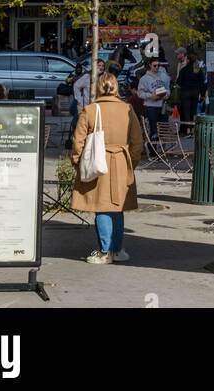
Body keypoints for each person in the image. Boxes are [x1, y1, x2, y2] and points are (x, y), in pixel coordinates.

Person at [71, 71, 143, 264]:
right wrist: (131, 162)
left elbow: (78, 141)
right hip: (120, 160)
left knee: (101, 207)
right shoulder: (127, 109)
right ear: (116, 87)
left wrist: (78, 162)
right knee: (117, 207)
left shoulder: (91, 110)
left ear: (98, 88)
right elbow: (137, 142)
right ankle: (117, 250)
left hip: (97, 161)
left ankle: (104, 252)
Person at [137, 58, 169, 139]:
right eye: (155, 65)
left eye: (158, 65)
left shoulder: (164, 76)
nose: (157, 67)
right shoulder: (144, 78)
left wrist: (167, 95)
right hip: (151, 106)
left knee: (163, 130)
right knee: (153, 130)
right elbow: (140, 93)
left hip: (162, 106)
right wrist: (151, 96)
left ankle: (162, 148)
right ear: (150, 65)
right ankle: (153, 150)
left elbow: (168, 89)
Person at [177, 51, 206, 132]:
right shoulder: (198, 70)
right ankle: (192, 129)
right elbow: (202, 83)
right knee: (193, 110)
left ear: (188, 60)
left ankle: (188, 130)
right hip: (195, 92)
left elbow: (178, 82)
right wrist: (203, 94)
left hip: (185, 92)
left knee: (186, 111)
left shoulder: (184, 70)